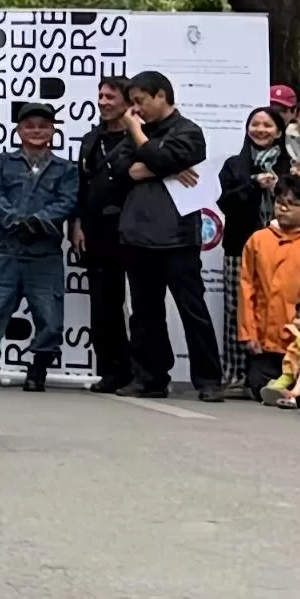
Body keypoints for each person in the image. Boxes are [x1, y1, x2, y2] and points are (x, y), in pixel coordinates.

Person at [113, 71, 222, 403]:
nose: (136, 110)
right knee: (145, 312)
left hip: (176, 236)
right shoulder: (135, 133)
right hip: (137, 234)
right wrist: (160, 165)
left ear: (160, 95)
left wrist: (141, 142)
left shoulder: (188, 131)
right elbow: (119, 168)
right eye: (132, 105)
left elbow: (163, 158)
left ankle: (208, 378)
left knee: (192, 308)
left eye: (140, 102)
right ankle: (150, 377)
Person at [0, 103, 80, 392]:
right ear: (18, 130)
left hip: (44, 254)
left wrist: (38, 221)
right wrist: (13, 219)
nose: (36, 131)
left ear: (53, 130)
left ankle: (37, 370)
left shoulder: (67, 169)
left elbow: (67, 201)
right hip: (8, 252)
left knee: (50, 318)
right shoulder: (0, 163)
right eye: (29, 125)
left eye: (43, 125)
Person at [237, 175, 300, 398]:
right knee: (259, 388)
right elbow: (246, 288)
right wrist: (249, 333)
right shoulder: (258, 240)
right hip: (265, 342)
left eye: (292, 203)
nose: (284, 207)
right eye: (280, 201)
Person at [219, 104, 291, 388]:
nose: (260, 130)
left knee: (277, 306)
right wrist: (253, 184)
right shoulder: (234, 165)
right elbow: (226, 202)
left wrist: (278, 187)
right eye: (255, 124)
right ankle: (235, 372)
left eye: (268, 125)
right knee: (237, 308)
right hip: (240, 246)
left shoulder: (289, 164)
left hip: (283, 247)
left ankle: (279, 371)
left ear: (279, 132)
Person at [73, 76, 134, 392]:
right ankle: (111, 370)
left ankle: (142, 371)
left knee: (141, 304)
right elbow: (81, 187)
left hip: (135, 231)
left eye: (111, 97)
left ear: (127, 101)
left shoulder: (140, 138)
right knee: (103, 305)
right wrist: (77, 224)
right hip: (97, 230)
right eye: (101, 96)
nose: (104, 102)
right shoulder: (90, 139)